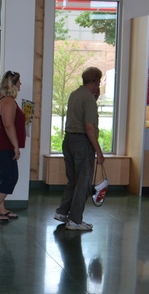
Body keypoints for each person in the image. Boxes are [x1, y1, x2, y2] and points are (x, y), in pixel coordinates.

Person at [55, 67, 105, 231]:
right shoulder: (88, 99)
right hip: (82, 143)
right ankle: (75, 220)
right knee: (83, 182)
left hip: (68, 140)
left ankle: (62, 212)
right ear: (96, 81)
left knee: (73, 181)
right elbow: (89, 128)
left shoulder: (75, 94)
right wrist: (98, 150)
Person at [0, 71, 26, 221]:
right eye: (18, 82)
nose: (20, 84)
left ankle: (0, 207)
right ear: (12, 84)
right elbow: (8, 126)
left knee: (2, 176)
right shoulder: (8, 101)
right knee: (10, 177)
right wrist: (15, 147)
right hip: (2, 146)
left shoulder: (0, 99)